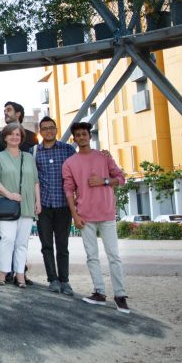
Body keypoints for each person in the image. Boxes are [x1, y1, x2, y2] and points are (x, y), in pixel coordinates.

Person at [63, 121, 130, 314]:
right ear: (74, 139)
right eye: (78, 135)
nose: (81, 137)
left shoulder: (104, 157)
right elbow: (68, 191)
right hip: (85, 215)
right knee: (91, 256)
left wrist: (104, 181)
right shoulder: (69, 163)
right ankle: (99, 292)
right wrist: (74, 215)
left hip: (106, 213)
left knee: (114, 256)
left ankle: (120, 295)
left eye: (84, 134)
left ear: (89, 136)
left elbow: (122, 179)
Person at [31, 115, 78, 295]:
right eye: (44, 129)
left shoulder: (67, 150)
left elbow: (78, 171)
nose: (48, 131)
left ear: (56, 129)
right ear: (40, 132)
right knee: (46, 245)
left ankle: (65, 280)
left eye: (51, 128)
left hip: (63, 205)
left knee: (62, 245)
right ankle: (53, 279)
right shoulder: (34, 152)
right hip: (42, 206)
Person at [0, 123, 40, 288]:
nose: (14, 137)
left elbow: (35, 181)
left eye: (18, 134)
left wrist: (38, 201)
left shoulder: (29, 157)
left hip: (27, 204)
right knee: (7, 239)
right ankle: (3, 271)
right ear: (5, 137)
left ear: (22, 138)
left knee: (22, 242)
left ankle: (20, 274)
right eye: (11, 134)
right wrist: (9, 195)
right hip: (7, 204)